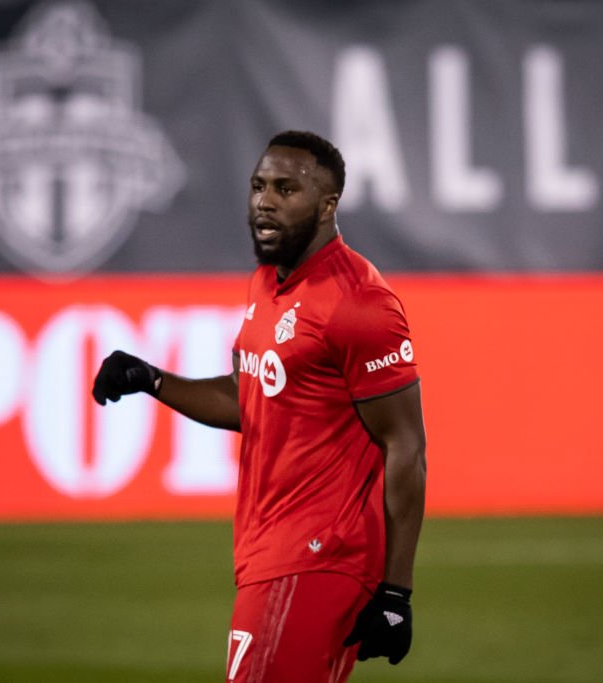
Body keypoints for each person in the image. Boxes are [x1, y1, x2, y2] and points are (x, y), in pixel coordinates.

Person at [92, 131, 426, 682]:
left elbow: (406, 446)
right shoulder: (266, 284)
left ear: (327, 205)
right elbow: (252, 399)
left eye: (285, 188)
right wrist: (152, 379)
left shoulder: (358, 303)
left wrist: (396, 592)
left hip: (316, 556)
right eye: (258, 185)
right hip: (268, 552)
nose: (264, 200)